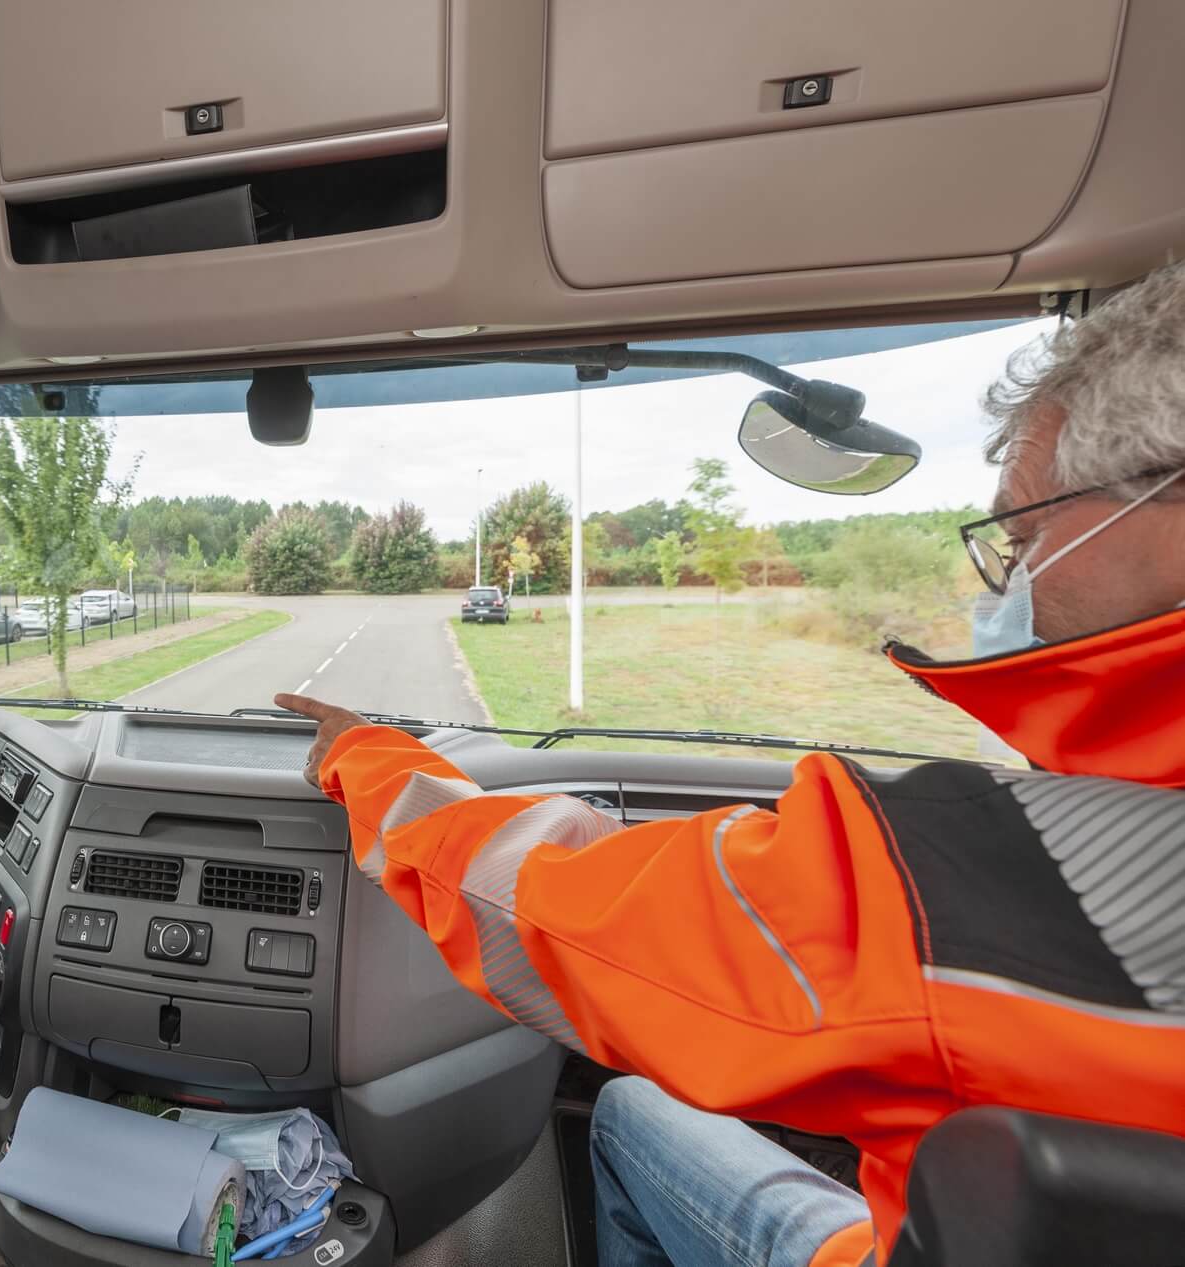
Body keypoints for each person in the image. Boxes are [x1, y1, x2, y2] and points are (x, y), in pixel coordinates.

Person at [279, 262, 1185, 1267]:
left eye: (1020, 538)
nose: (1003, 580)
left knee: (625, 1116)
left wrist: (363, 759)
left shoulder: (1002, 882)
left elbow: (557, 911)